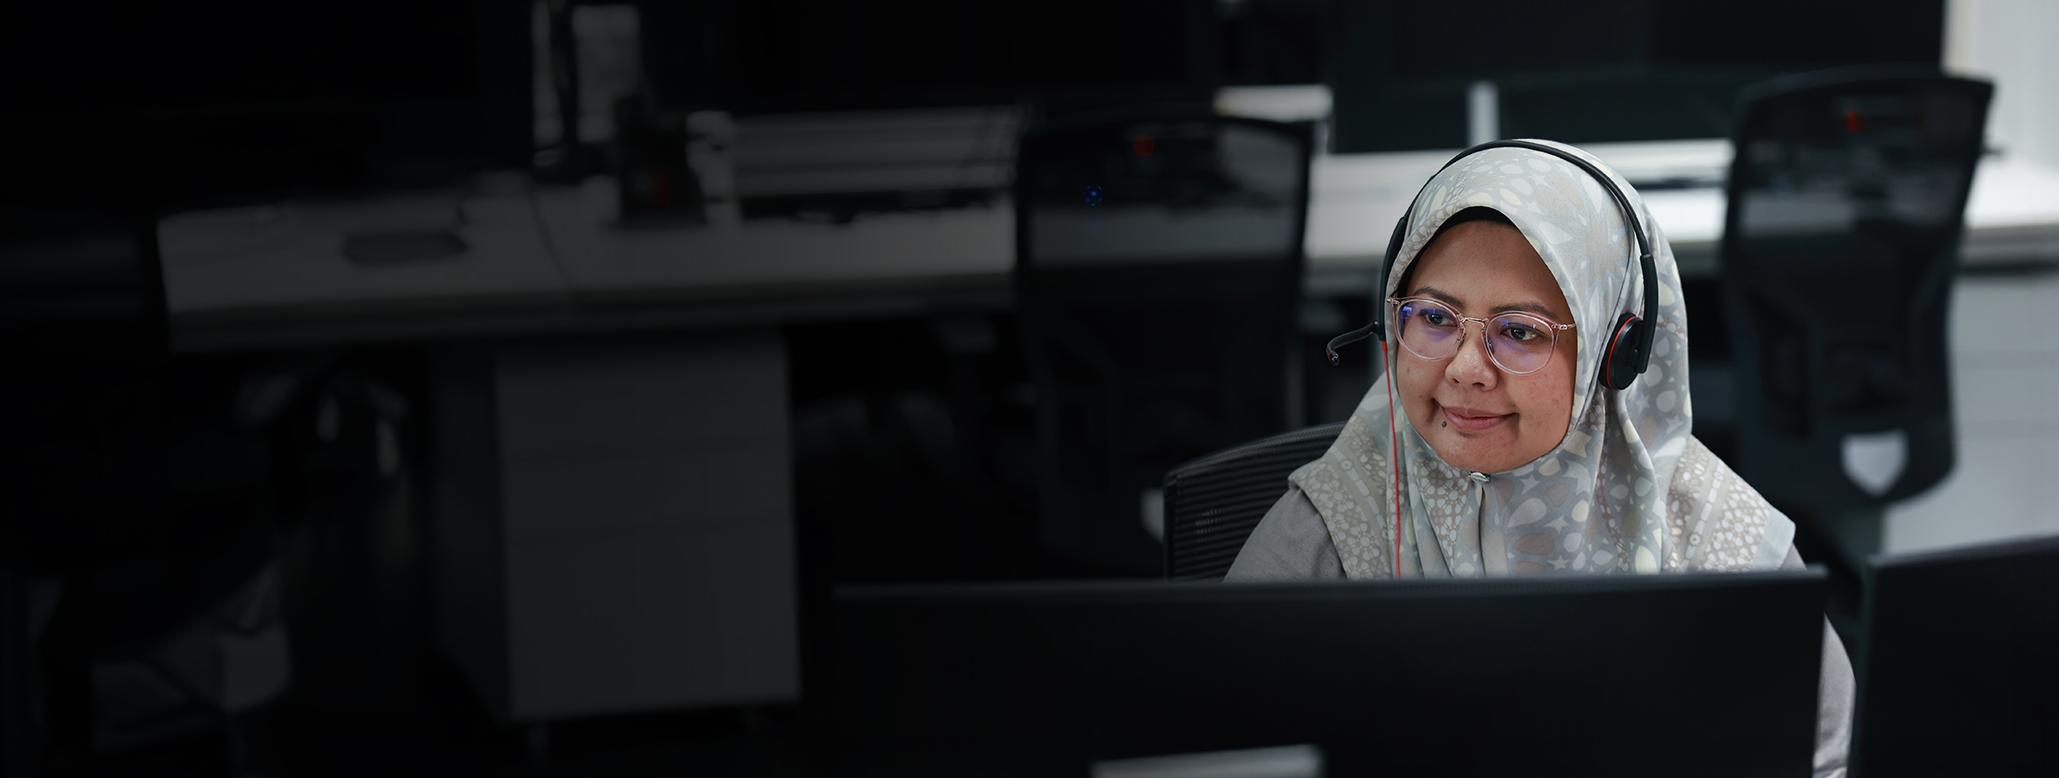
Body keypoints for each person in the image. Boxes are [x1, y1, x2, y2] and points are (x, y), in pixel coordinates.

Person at [1225, 140, 1855, 777]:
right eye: (1435, 318)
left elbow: (1827, 761)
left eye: (1520, 331)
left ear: (1616, 353)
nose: (1466, 370)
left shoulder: (1719, 541)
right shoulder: (1330, 528)